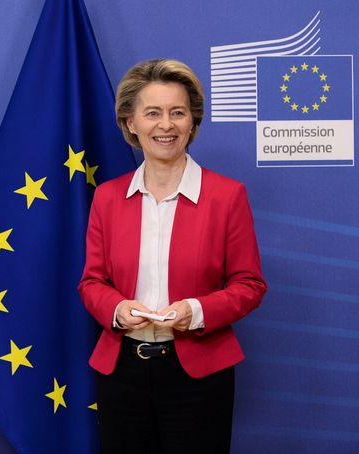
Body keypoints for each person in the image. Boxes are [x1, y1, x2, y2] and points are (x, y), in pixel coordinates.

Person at [78, 58, 267, 453]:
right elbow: (92, 282)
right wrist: (116, 308)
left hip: (199, 374)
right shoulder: (107, 198)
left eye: (177, 113)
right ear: (131, 123)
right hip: (121, 372)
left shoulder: (227, 196)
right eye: (153, 113)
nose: (166, 125)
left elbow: (249, 285)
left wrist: (195, 311)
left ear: (192, 123)